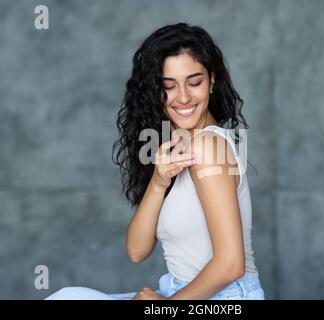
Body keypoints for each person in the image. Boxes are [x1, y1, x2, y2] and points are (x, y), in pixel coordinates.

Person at [46, 22, 265, 300]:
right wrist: (159, 182)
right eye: (169, 87)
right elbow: (137, 251)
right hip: (178, 290)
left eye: (194, 82)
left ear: (212, 80)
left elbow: (231, 265)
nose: (183, 97)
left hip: (226, 298)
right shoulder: (174, 146)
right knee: (69, 297)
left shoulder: (209, 145)